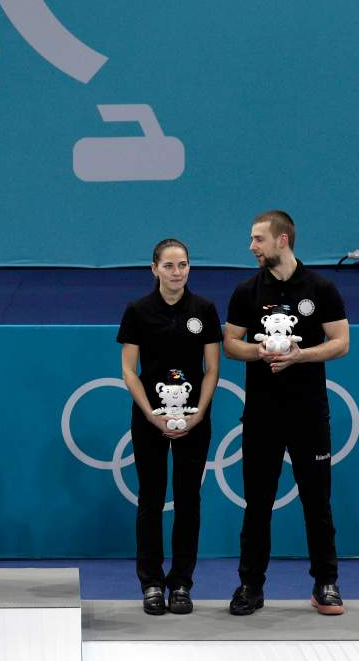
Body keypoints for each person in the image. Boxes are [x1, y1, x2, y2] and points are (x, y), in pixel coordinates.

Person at [224, 210, 350, 617]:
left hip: (308, 413)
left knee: (318, 501)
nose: (251, 246)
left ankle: (325, 583)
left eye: (257, 239)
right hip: (262, 414)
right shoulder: (246, 290)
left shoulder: (321, 287)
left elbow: (341, 342)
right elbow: (230, 343)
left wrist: (301, 356)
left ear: (282, 240)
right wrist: (257, 351)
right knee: (257, 503)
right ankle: (250, 585)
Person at [117, 239, 220, 616]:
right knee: (151, 498)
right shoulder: (138, 311)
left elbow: (212, 370)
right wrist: (150, 413)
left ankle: (181, 582)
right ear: (154, 268)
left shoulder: (204, 310)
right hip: (150, 419)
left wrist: (197, 415)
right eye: (170, 265)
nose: (177, 272)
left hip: (195, 418)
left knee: (188, 499)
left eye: (183, 265)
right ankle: (150, 583)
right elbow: (129, 369)